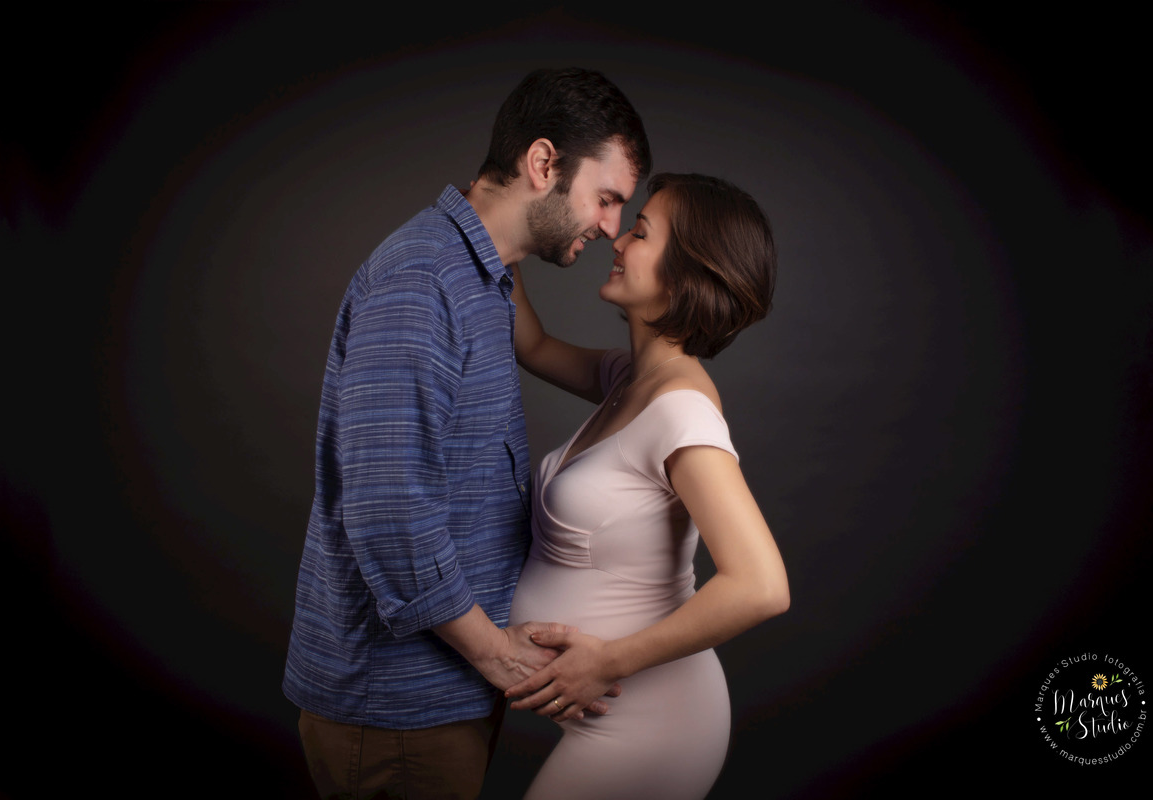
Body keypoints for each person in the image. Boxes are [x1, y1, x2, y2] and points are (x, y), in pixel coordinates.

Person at [282, 67, 651, 799]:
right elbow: (389, 510)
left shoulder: (485, 276)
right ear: (543, 164)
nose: (611, 226)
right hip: (398, 705)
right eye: (606, 199)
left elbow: (553, 356)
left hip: (439, 696)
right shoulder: (421, 282)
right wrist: (495, 656)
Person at [504, 173, 790, 799]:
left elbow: (762, 586)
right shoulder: (629, 379)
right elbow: (533, 343)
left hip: (655, 721)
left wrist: (606, 662)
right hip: (615, 715)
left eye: (640, 233)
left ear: (685, 277)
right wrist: (504, 229)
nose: (618, 238)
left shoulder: (681, 411)